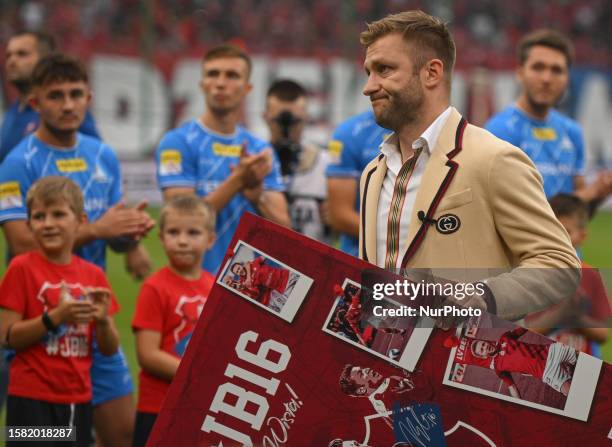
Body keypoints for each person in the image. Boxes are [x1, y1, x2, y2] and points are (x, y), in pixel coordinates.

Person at [357, 10, 580, 321]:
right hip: (381, 359)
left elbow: (559, 263)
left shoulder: (494, 159)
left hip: (462, 362)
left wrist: (482, 297)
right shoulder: (372, 173)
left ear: (432, 73)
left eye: (384, 69)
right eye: (369, 72)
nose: (369, 86)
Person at [0, 54, 153, 447]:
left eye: (74, 95)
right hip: (41, 323)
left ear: (89, 98)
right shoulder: (18, 164)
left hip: (94, 317)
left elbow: (109, 231)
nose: (67, 105)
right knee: (44, 439)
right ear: (36, 103)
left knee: (122, 436)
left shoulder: (102, 155)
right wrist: (100, 227)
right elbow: (20, 242)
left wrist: (128, 233)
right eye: (55, 96)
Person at [0, 176, 120, 447]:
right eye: (39, 216)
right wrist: (56, 317)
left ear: (81, 219)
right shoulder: (21, 268)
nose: (49, 223)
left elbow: (110, 348)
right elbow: (6, 336)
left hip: (77, 398)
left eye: (58, 214)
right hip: (29, 398)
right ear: (29, 224)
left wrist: (103, 322)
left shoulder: (94, 275)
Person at [156, 44, 290, 274]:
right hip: (198, 279)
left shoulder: (261, 150)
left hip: (249, 284)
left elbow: (285, 231)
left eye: (232, 75)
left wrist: (258, 199)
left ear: (247, 88)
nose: (220, 82)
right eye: (213, 74)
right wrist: (238, 181)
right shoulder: (177, 143)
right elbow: (182, 219)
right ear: (202, 84)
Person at [485, 29, 612, 213]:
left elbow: (577, 216)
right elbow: (511, 211)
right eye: (538, 67)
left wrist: (598, 193)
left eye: (556, 70)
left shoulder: (572, 131)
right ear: (520, 73)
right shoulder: (499, 131)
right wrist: (586, 195)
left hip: (566, 244)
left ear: (567, 78)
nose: (546, 78)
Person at [132, 196, 216, 447]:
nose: (182, 241)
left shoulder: (216, 287)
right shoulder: (155, 287)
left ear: (210, 239)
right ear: (161, 238)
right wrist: (198, 375)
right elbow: (147, 355)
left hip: (200, 409)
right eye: (173, 232)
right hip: (158, 407)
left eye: (193, 232)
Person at [526, 194, 610, 357]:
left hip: (580, 371)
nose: (559, 238)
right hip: (538, 368)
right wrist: (559, 314)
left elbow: (603, 334)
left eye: (566, 232)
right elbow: (521, 333)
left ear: (582, 236)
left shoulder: (591, 275)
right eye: (553, 230)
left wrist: (577, 318)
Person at [1, 31, 99, 164]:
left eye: (22, 54)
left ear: (45, 59)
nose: (12, 61)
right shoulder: (13, 112)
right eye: (8, 55)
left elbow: (93, 161)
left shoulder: (66, 111)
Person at [263, 79, 329, 242]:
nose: (287, 130)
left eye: (295, 122)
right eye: (279, 121)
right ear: (265, 117)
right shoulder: (252, 164)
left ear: (307, 117)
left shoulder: (325, 164)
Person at [326, 111, 388, 257]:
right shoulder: (349, 133)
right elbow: (339, 216)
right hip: (360, 256)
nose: (369, 88)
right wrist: (400, 239)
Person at [447, 328, 577, 397]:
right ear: (483, 356)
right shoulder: (498, 367)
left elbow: (522, 329)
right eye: (482, 350)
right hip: (548, 372)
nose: (485, 347)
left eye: (483, 344)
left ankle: (569, 366)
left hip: (552, 351)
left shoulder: (505, 338)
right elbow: (512, 387)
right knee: (573, 392)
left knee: (583, 348)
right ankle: (568, 369)